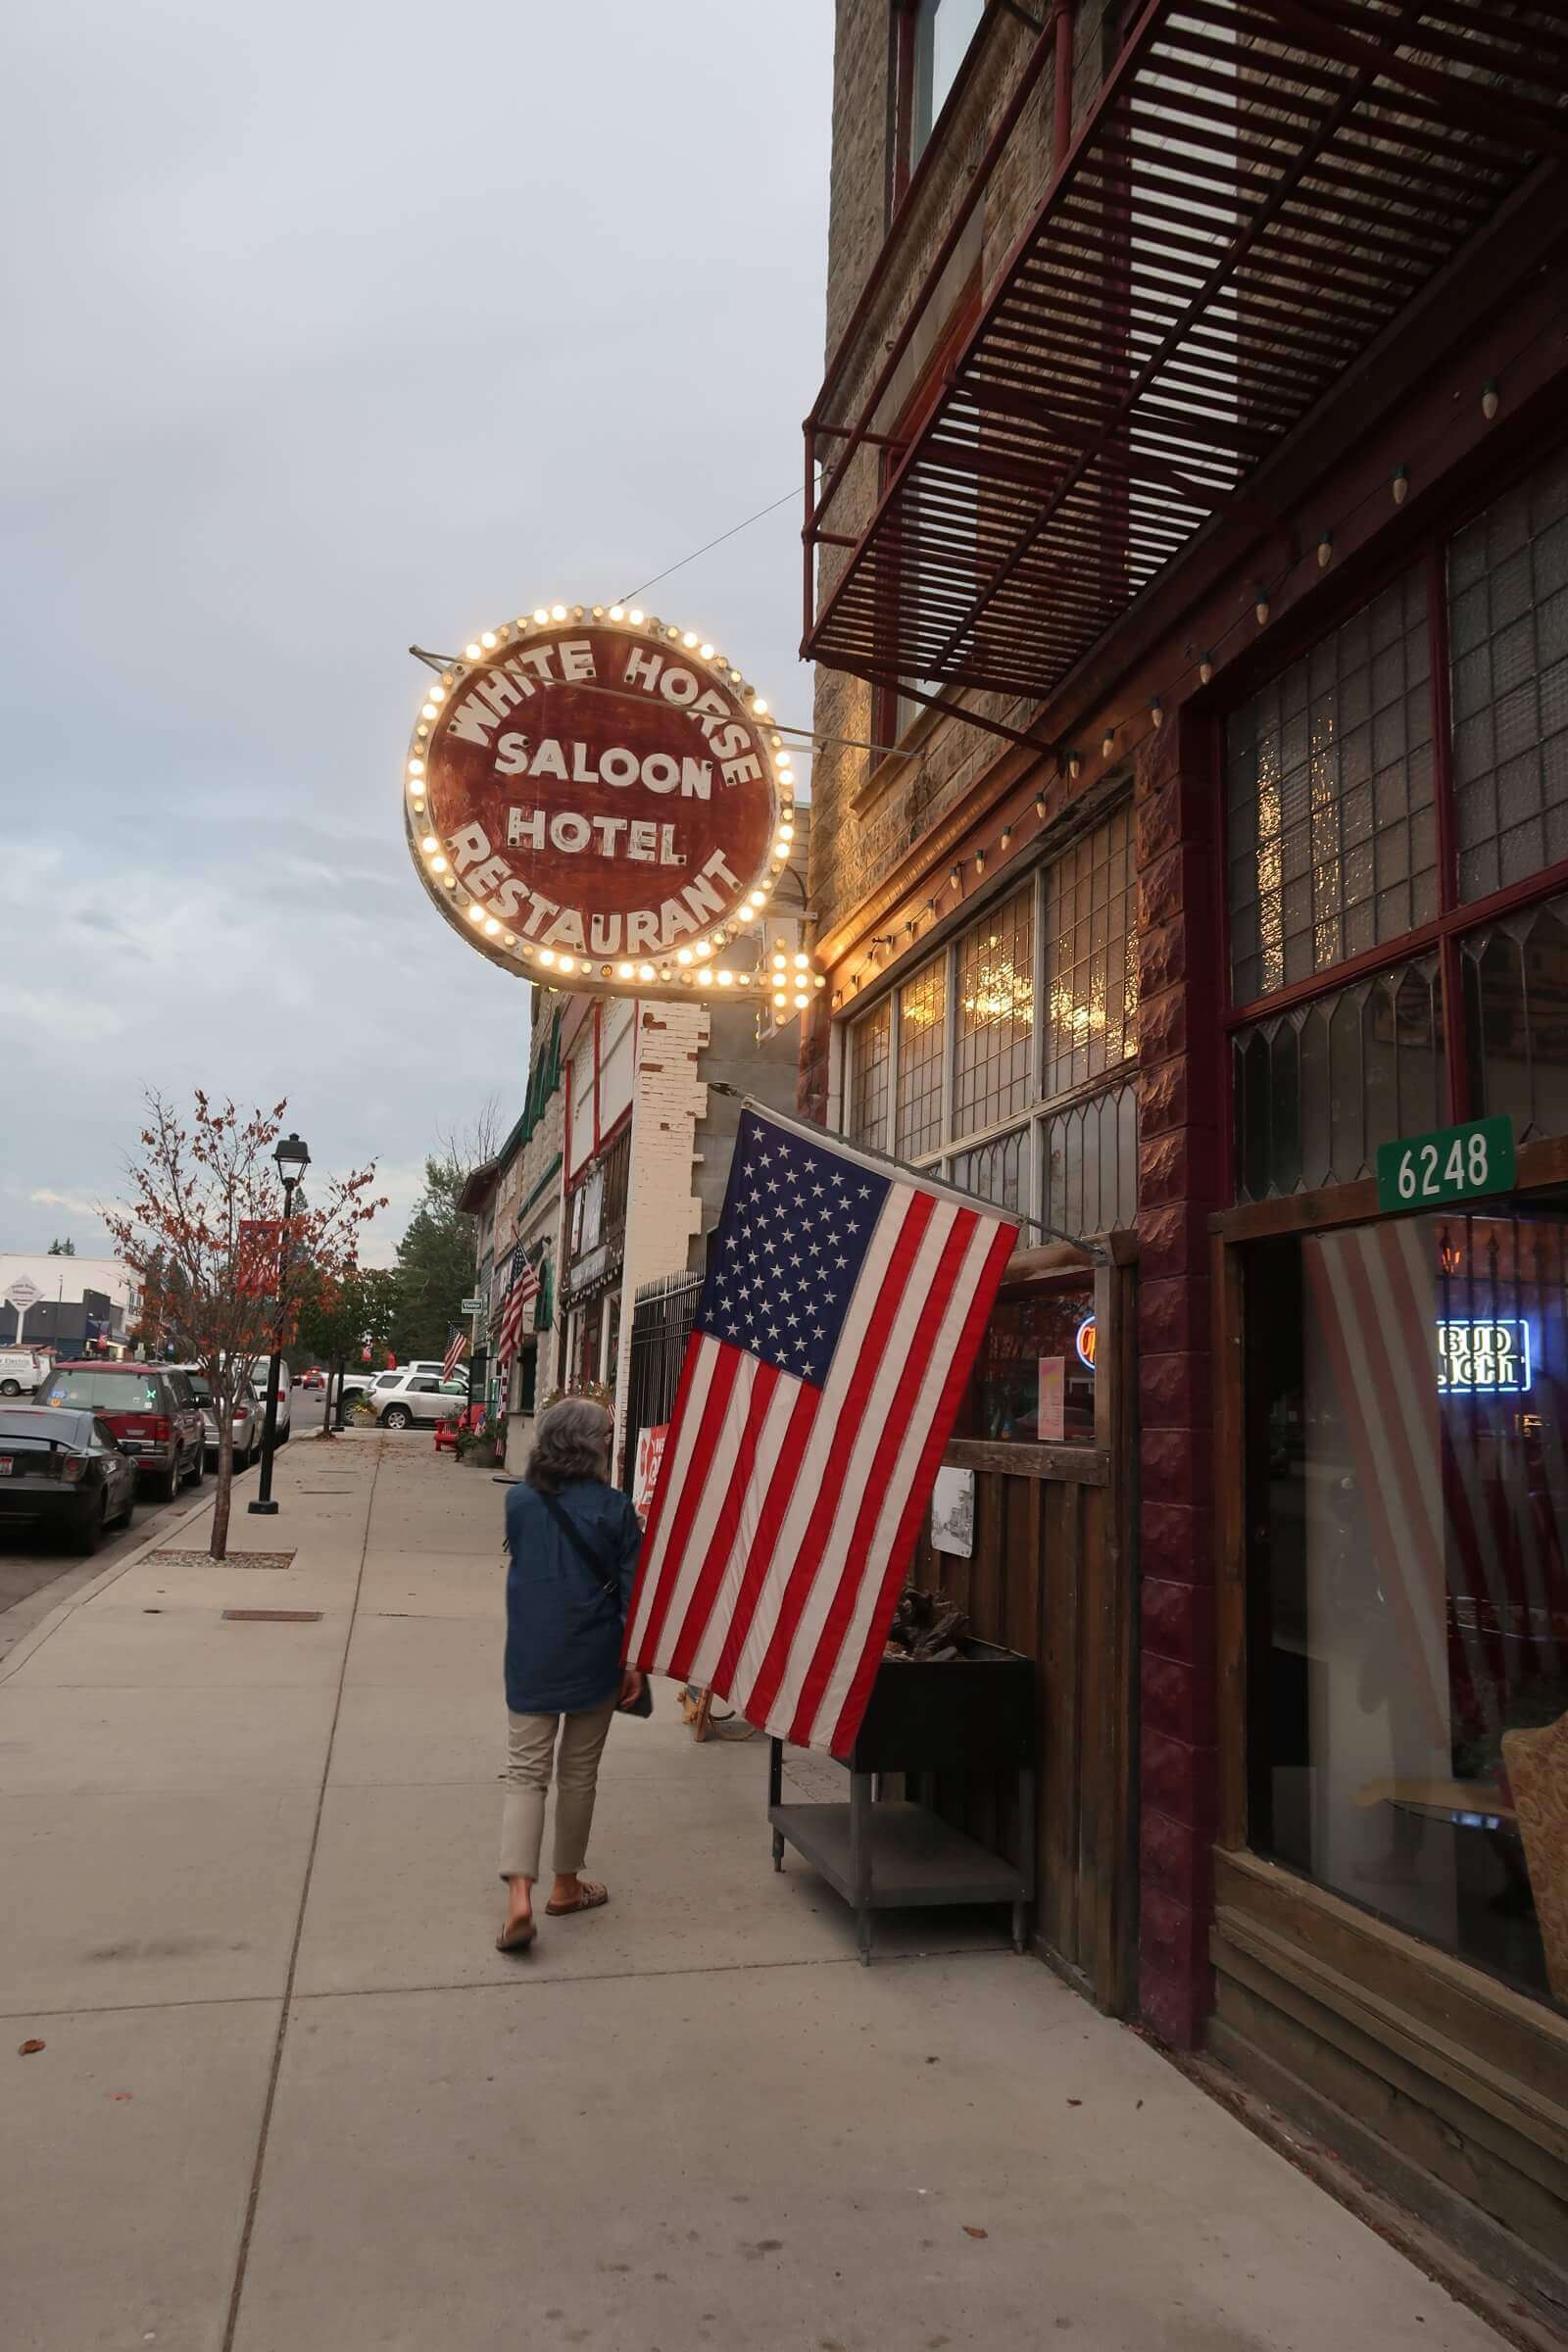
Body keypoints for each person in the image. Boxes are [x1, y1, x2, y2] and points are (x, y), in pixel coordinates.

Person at [497, 1396, 645, 1952]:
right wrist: (634, 1663)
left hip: (532, 1653)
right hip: (595, 1654)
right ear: (590, 1444)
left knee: (524, 1774)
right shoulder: (614, 1509)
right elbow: (635, 1594)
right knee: (579, 1775)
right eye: (606, 1434)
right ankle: (565, 1885)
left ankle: (518, 1899)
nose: (611, 1441)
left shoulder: (519, 1502)